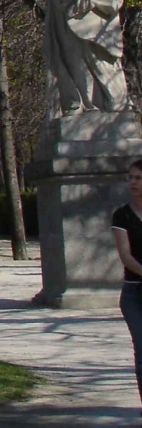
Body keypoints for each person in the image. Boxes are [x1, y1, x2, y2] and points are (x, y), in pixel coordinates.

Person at [113, 159, 142, 412]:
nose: (132, 182)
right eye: (130, 178)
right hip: (134, 293)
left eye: (138, 178)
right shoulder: (122, 214)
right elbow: (126, 256)